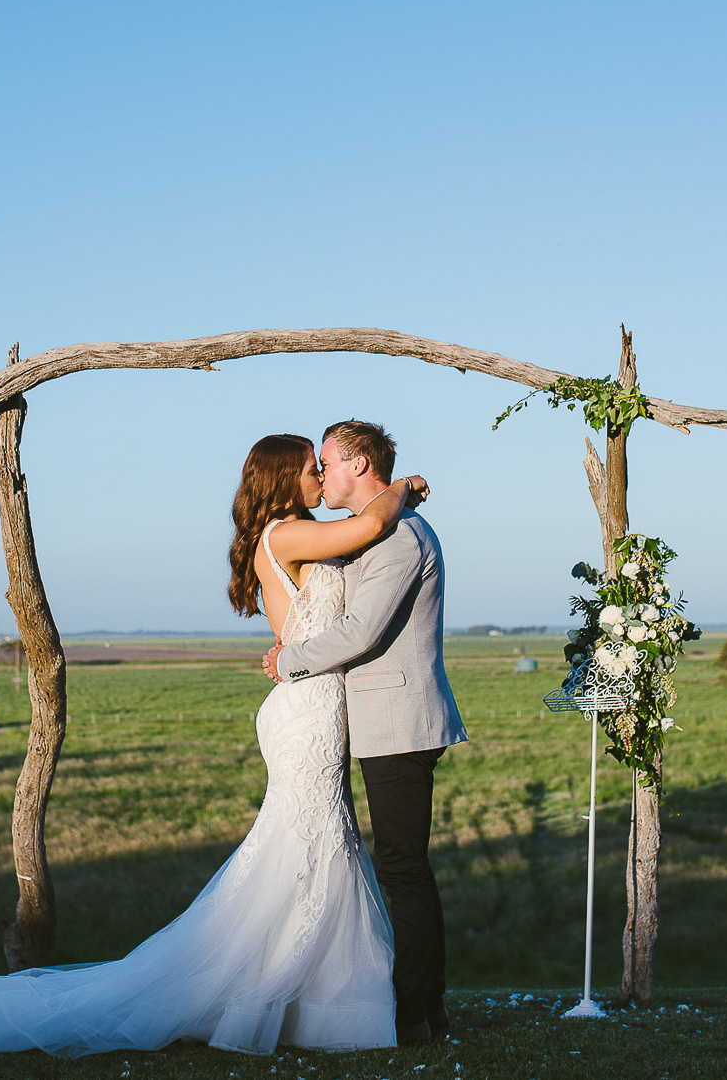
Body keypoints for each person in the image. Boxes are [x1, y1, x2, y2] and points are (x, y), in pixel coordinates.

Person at [0, 432, 429, 1057]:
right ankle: (293, 998)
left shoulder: (296, 532)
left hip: (317, 703)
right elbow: (367, 529)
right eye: (312, 468)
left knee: (315, 845)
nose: (319, 476)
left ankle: (312, 1001)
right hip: (307, 708)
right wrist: (404, 486)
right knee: (308, 843)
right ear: (286, 478)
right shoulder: (284, 535)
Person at [266, 419, 467, 1045]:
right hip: (376, 723)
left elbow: (361, 632)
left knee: (402, 867)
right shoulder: (371, 534)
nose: (321, 476)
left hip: (401, 722)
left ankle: (415, 1010)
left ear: (359, 463)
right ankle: (419, 1006)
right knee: (400, 865)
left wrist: (287, 661)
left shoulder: (402, 537)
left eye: (328, 463)